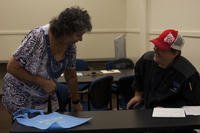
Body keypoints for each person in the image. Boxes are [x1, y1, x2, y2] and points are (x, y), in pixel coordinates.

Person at [1, 6, 92, 114]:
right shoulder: (38, 37)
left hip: (43, 96)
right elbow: (11, 67)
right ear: (66, 30)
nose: (80, 39)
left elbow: (71, 75)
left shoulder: (70, 46)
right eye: (78, 35)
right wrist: (42, 82)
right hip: (20, 94)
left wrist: (76, 102)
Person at [127, 29, 200, 132]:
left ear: (175, 53)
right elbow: (138, 76)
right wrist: (138, 95)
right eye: (156, 45)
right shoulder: (146, 60)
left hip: (173, 122)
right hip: (147, 113)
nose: (155, 49)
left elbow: (194, 105)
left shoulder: (188, 74)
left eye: (161, 48)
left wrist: (170, 110)